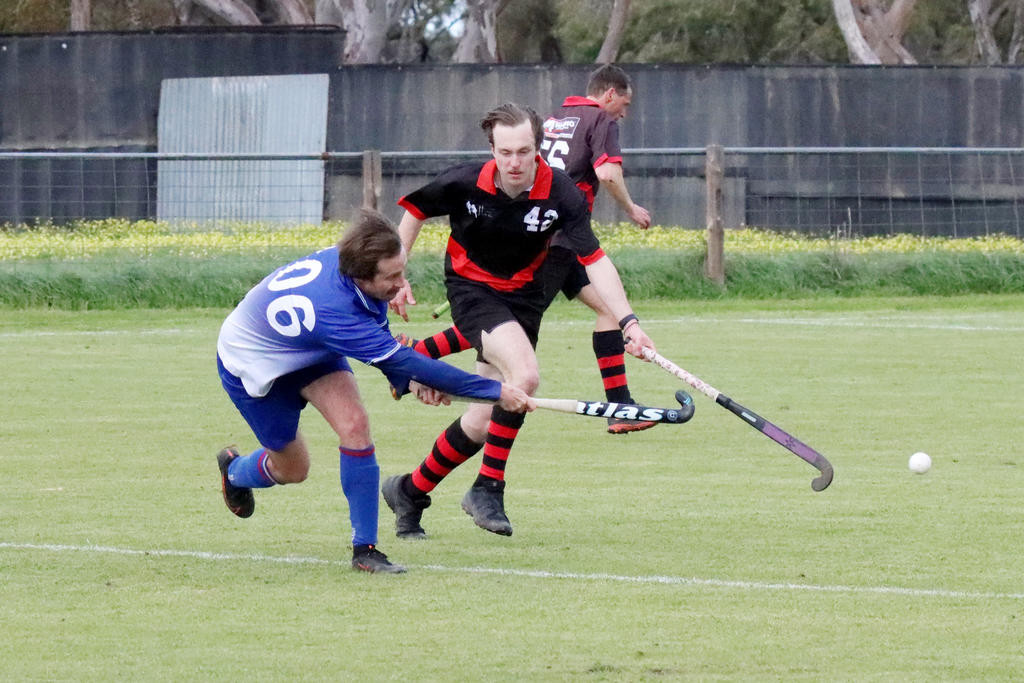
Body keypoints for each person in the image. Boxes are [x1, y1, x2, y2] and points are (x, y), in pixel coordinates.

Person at [383, 102, 656, 540]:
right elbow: (415, 209)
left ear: (538, 149)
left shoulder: (561, 193)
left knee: (481, 421)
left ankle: (409, 492)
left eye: (524, 152)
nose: (514, 162)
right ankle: (488, 488)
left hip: (523, 299)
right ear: (492, 149)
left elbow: (594, 260)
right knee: (524, 376)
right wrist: (397, 276)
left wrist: (629, 322)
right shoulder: (464, 181)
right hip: (472, 290)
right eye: (505, 152)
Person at [215, 209, 533, 573]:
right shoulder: (337, 311)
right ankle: (235, 471)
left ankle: (365, 550)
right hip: (252, 365)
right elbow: (405, 360)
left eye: (402, 271)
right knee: (293, 469)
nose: (401, 284)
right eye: (392, 277)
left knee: (355, 425)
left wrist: (412, 382)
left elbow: (394, 357)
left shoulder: (357, 267)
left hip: (311, 348)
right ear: (362, 277)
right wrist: (496, 391)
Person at [393, 64, 655, 434]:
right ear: (610, 94)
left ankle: (620, 405)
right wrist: (630, 208)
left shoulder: (559, 118)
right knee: (507, 327)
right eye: (624, 104)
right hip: (547, 245)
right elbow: (607, 173)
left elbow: (592, 250)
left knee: (605, 310)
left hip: (559, 235)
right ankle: (418, 357)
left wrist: (631, 322)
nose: (624, 113)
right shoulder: (601, 120)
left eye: (523, 151)